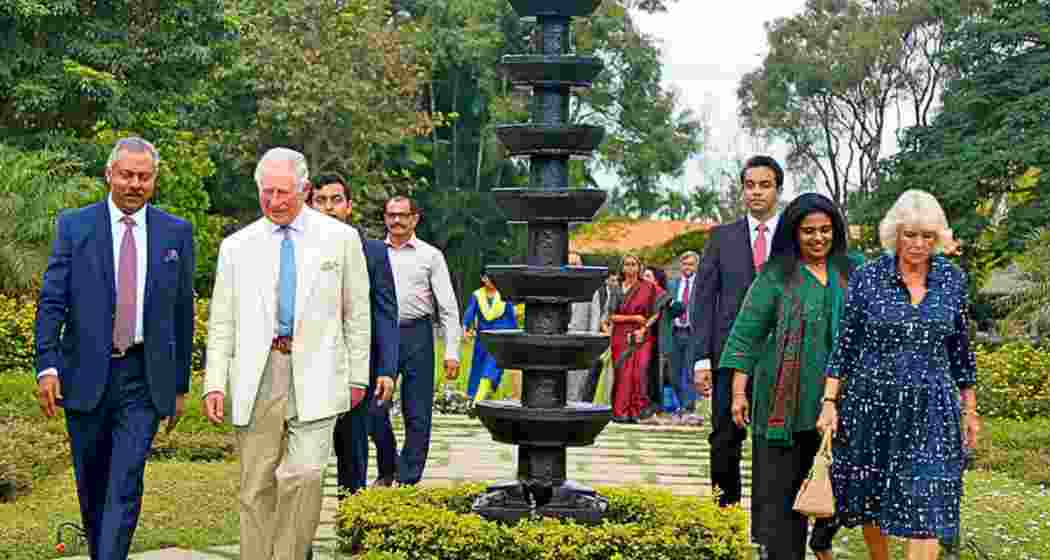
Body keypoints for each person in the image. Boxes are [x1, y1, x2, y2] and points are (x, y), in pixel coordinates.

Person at [202, 148, 371, 560]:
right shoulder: (236, 246)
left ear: (305, 190)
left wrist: (358, 376)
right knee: (256, 484)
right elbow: (222, 321)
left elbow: (358, 313)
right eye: (267, 192)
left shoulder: (341, 239)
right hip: (258, 375)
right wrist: (213, 383)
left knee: (307, 476)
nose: (275, 201)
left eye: (284, 192)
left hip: (318, 371)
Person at [33, 137, 195, 560]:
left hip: (142, 378)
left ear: (154, 180)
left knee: (125, 481)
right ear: (109, 175)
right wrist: (47, 366)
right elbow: (53, 300)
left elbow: (182, 311)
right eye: (127, 174)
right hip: (84, 375)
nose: (135, 184)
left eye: (144, 176)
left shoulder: (176, 232)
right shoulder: (74, 226)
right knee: (92, 483)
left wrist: (179, 385)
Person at [817, 190, 980, 560]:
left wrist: (970, 409)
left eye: (927, 236)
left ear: (937, 237)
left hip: (933, 407)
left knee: (928, 496)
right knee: (874, 495)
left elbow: (961, 352)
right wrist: (829, 402)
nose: (918, 244)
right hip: (872, 402)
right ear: (896, 234)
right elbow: (845, 345)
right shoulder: (868, 278)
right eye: (910, 235)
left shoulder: (952, 280)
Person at [720, 193, 855, 560]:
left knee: (845, 489)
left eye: (825, 230)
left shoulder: (851, 272)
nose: (817, 238)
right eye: (808, 231)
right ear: (794, 233)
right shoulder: (776, 275)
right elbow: (746, 336)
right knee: (781, 498)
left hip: (842, 403)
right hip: (784, 403)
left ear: (836, 231)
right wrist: (738, 393)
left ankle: (822, 542)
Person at [693, 154, 783, 508]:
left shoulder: (793, 240)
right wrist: (701, 358)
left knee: (771, 441)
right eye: (750, 186)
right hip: (728, 355)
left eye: (765, 185)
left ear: (777, 189)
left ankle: (769, 523)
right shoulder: (721, 237)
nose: (756, 193)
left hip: (779, 356)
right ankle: (724, 514)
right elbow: (703, 301)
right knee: (724, 437)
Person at [307, 173, 399, 496]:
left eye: (336, 200)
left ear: (349, 206)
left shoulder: (373, 252)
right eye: (320, 200)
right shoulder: (300, 248)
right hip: (311, 366)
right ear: (310, 204)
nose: (329, 208)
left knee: (353, 452)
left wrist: (387, 369)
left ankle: (351, 523)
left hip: (357, 368)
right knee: (307, 458)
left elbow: (387, 314)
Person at [371, 195, 461, 486]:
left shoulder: (430, 256)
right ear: (385, 218)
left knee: (417, 410)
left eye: (402, 215)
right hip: (382, 335)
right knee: (373, 408)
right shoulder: (373, 252)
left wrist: (452, 352)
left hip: (418, 335)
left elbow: (447, 307)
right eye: (391, 215)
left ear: (415, 219)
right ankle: (388, 467)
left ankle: (408, 477)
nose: (396, 221)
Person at [608, 254, 664, 423]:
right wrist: (634, 318)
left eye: (634, 264)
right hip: (620, 335)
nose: (630, 268)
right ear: (622, 267)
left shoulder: (648, 287)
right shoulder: (616, 288)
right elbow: (611, 316)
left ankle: (638, 411)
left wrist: (644, 327)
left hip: (642, 335)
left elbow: (657, 311)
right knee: (623, 374)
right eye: (627, 264)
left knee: (639, 373)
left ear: (639, 267)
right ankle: (621, 412)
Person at [462, 271, 518, 402]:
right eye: (487, 277)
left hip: (501, 338)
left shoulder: (504, 294)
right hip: (483, 338)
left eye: (494, 277)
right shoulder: (477, 295)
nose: (491, 280)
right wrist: (465, 328)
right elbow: (470, 312)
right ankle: (474, 396)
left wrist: (516, 337)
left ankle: (478, 400)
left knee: (492, 365)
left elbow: (511, 315)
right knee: (478, 366)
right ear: (482, 278)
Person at [667, 251, 701, 419]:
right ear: (681, 266)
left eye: (691, 264)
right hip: (675, 332)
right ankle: (681, 404)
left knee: (689, 372)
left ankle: (688, 408)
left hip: (692, 333)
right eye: (685, 264)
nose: (687, 267)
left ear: (696, 266)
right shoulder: (672, 284)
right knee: (673, 373)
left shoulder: (701, 285)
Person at [566, 252, 596, 401]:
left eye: (575, 265)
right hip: (559, 340)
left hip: (580, 341)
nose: (572, 268)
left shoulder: (590, 288)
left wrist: (592, 342)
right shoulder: (557, 287)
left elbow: (594, 318)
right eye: (569, 264)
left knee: (577, 382)